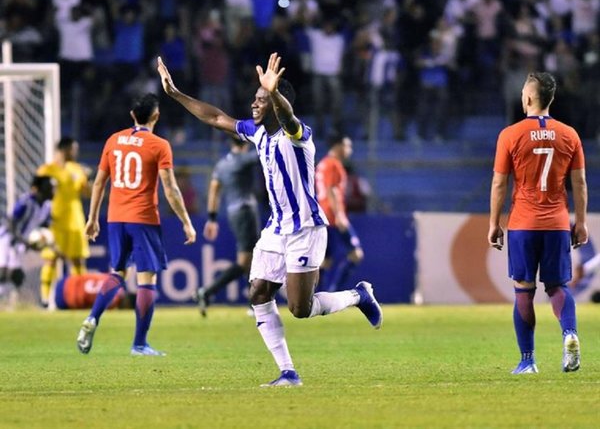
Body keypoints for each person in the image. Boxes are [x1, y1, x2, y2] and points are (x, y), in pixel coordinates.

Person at [158, 52, 383, 386]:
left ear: (277, 103)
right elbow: (217, 118)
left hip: (306, 228)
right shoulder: (256, 133)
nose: (254, 104)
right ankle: (288, 372)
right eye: (255, 98)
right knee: (258, 292)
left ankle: (358, 295)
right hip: (276, 228)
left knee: (300, 308)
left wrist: (274, 93)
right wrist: (176, 94)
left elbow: (289, 118)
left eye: (261, 100)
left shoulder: (299, 136)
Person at [76, 93, 196, 356]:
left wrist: (92, 218)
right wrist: (186, 222)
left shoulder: (113, 140)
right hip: (143, 218)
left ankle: (93, 318)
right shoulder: (159, 145)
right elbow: (171, 189)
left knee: (117, 273)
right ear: (156, 116)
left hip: (115, 217)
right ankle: (139, 344)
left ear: (132, 115)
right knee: (146, 279)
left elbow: (98, 183)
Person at [488, 72, 588, 375]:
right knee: (557, 287)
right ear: (551, 99)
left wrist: (494, 223)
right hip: (557, 222)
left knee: (523, 290)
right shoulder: (569, 134)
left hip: (523, 223)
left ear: (529, 98)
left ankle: (528, 361)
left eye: (522, 92)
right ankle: (569, 333)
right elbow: (580, 182)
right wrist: (580, 222)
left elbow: (499, 184)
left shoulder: (510, 134)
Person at [196, 136, 260, 317]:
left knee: (250, 259)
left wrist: (212, 218)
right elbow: (265, 153)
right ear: (245, 143)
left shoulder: (221, 165)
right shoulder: (244, 159)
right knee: (247, 260)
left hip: (232, 213)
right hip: (246, 211)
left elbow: (214, 191)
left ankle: (253, 303)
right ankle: (207, 292)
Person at [37, 136, 91, 307]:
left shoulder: (77, 169)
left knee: (78, 261)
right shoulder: (46, 170)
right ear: (64, 149)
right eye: (73, 149)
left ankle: (79, 298)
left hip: (75, 221)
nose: (75, 152)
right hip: (55, 222)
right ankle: (45, 300)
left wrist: (89, 180)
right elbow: (37, 193)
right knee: (51, 260)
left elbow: (87, 194)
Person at [316, 134, 364, 292]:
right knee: (356, 254)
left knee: (325, 261)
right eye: (347, 146)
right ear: (338, 146)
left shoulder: (322, 164)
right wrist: (339, 215)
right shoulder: (333, 164)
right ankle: (333, 291)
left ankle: (316, 297)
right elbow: (332, 190)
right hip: (332, 216)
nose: (349, 150)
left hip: (323, 217)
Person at [0, 175, 55, 308]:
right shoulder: (26, 202)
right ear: (39, 189)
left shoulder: (47, 206)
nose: (52, 191)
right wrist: (24, 241)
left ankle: (9, 303)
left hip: (21, 244)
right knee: (7, 273)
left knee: (16, 276)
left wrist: (43, 241)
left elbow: (45, 227)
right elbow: (11, 222)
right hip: (7, 240)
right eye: (49, 188)